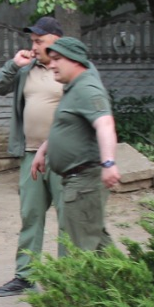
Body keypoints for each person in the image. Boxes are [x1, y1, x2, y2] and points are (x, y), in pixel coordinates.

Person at [0, 15, 65, 296]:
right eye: (32, 40)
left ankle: (68, 280)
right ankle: (25, 276)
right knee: (30, 216)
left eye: (39, 41)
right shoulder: (26, 68)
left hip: (65, 156)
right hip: (31, 155)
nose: (33, 46)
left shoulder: (70, 70)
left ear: (57, 42)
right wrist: (14, 64)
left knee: (67, 218)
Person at [30, 36, 121, 251]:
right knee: (95, 242)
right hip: (78, 180)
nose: (51, 65)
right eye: (50, 59)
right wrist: (43, 150)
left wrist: (109, 163)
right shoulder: (73, 87)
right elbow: (68, 126)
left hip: (85, 181)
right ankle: (128, 281)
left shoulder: (87, 89)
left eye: (57, 59)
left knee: (83, 247)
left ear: (75, 60)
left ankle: (103, 283)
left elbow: (105, 124)